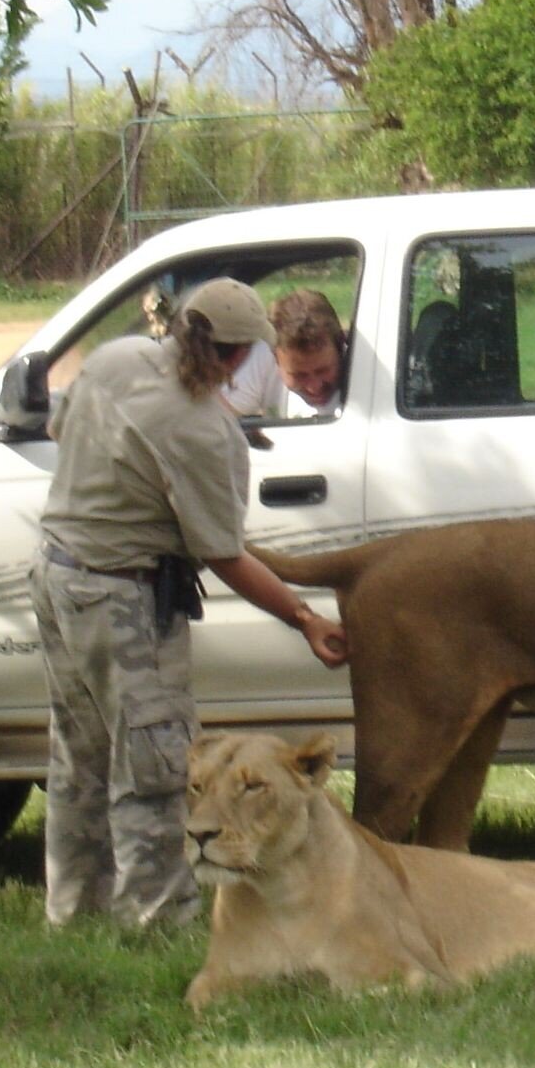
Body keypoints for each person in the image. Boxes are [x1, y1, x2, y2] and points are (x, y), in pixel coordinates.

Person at [29, 277, 348, 929]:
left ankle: (73, 911)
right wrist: (305, 618)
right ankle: (157, 919)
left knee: (79, 758)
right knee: (152, 766)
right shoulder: (204, 432)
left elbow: (62, 429)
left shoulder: (116, 358)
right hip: (123, 596)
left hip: (57, 575)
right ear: (240, 356)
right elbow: (223, 553)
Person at [218, 288, 346, 419]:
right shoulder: (263, 355)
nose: (314, 387)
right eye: (299, 375)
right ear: (275, 357)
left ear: (342, 347)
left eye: (322, 371)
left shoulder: (365, 368)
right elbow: (218, 418)